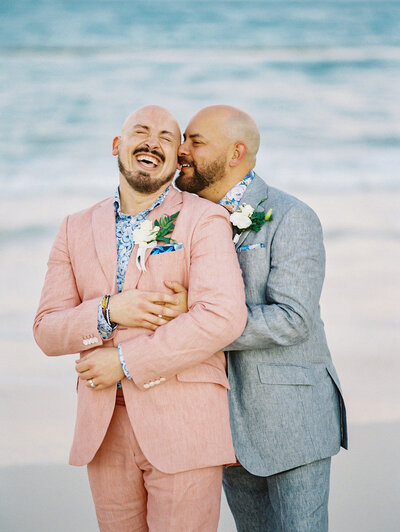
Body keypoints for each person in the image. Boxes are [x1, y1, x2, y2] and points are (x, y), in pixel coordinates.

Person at [33, 105, 247, 532]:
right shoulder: (74, 227)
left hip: (184, 422)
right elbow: (47, 331)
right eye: (141, 131)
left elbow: (222, 315)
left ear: (176, 158)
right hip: (103, 426)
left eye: (167, 137)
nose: (153, 142)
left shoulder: (205, 219)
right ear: (118, 145)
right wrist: (109, 311)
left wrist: (126, 362)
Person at [176, 104, 348, 532]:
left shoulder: (292, 217)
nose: (181, 149)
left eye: (195, 141)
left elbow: (293, 319)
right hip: (221, 421)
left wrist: (202, 322)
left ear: (236, 153)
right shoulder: (185, 221)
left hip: (292, 416)